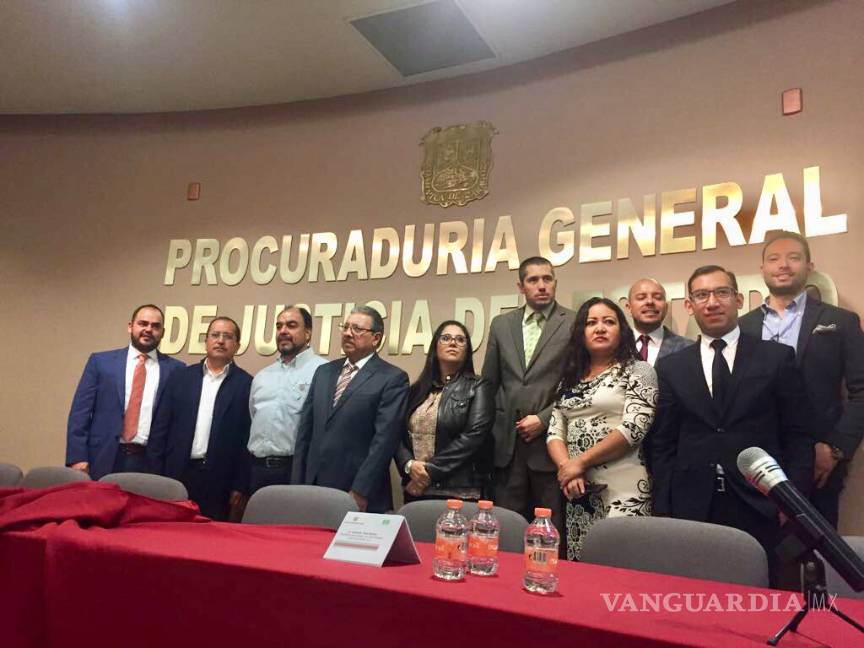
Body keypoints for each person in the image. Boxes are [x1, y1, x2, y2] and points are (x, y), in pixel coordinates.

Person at [652, 265, 814, 582]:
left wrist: (792, 502)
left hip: (761, 504)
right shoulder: (672, 367)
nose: (712, 302)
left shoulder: (776, 357)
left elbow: (798, 435)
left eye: (721, 293)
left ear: (738, 299)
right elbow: (663, 444)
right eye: (702, 295)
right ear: (689, 305)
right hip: (692, 504)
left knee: (759, 594)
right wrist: (664, 505)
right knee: (694, 593)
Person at [740, 231, 864, 528]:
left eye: (793, 258)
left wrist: (835, 449)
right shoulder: (743, 326)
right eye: (774, 259)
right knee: (755, 546)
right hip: (756, 460)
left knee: (816, 549)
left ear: (809, 267)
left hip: (818, 460)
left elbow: (861, 391)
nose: (783, 265)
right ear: (762, 269)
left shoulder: (841, 321)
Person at [546, 298, 658, 560]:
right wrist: (568, 470)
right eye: (591, 323)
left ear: (622, 330)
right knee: (582, 569)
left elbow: (633, 429)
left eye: (609, 322)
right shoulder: (569, 380)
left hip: (623, 489)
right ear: (580, 332)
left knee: (620, 567)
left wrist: (578, 463)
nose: (600, 328)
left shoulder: (639, 370)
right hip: (578, 490)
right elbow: (554, 431)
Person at [482, 257, 575, 533]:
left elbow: (578, 383)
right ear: (521, 287)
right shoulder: (501, 324)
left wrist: (544, 419)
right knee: (505, 531)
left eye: (547, 279)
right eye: (533, 280)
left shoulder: (572, 322)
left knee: (550, 532)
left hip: (551, 446)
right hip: (507, 447)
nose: (541, 285)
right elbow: (489, 383)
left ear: (555, 283)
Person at [293, 306, 409, 513]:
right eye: (345, 327)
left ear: (376, 338)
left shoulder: (392, 378)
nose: (347, 333)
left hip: (356, 492)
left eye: (357, 329)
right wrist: (296, 484)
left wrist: (361, 490)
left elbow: (385, 441)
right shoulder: (324, 372)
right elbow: (305, 431)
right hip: (313, 487)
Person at [148, 317, 252, 521]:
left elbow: (246, 440)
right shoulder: (181, 378)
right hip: (177, 473)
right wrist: (155, 473)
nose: (220, 341)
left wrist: (240, 484)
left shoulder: (246, 384)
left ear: (237, 346)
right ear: (206, 341)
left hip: (220, 480)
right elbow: (160, 428)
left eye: (227, 336)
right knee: (170, 531)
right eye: (215, 335)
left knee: (210, 534)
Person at [66, 304, 184, 480]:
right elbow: (80, 413)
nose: (148, 329)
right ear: (130, 326)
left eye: (155, 326)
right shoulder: (101, 362)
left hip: (150, 462)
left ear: (163, 332)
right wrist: (77, 457)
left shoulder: (176, 370)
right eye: (143, 323)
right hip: (102, 457)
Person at [395, 321, 494, 502]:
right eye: (446, 338)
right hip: (416, 490)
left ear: (467, 350)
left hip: (459, 492)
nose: (453, 343)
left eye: (460, 340)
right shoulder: (415, 391)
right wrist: (409, 465)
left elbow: (473, 436)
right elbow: (397, 435)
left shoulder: (478, 386)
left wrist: (429, 472)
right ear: (435, 346)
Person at [247, 306, 326, 495]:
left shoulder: (324, 371)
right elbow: (252, 417)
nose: (283, 331)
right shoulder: (262, 376)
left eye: (291, 325)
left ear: (308, 333)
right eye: (279, 326)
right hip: (257, 470)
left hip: (297, 470)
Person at [625, 278, 693, 366]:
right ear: (629, 307)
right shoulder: (615, 347)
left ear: (666, 308)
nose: (650, 302)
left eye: (658, 298)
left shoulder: (688, 348)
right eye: (641, 298)